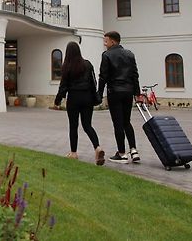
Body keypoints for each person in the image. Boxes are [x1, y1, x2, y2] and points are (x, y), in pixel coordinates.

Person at [55, 42, 105, 166]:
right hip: (87, 97)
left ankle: (74, 153)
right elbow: (94, 82)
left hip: (74, 98)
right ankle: (97, 148)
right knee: (87, 125)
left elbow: (63, 86)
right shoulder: (88, 64)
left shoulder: (66, 66)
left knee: (73, 126)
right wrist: (95, 96)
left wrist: (58, 100)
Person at [97, 31, 142, 164]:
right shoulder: (130, 54)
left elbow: (103, 76)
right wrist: (137, 93)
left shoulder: (107, 55)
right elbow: (135, 75)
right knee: (127, 121)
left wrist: (99, 94)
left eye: (106, 41)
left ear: (113, 41)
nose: (105, 44)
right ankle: (133, 150)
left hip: (115, 92)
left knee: (118, 123)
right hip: (128, 92)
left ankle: (122, 154)